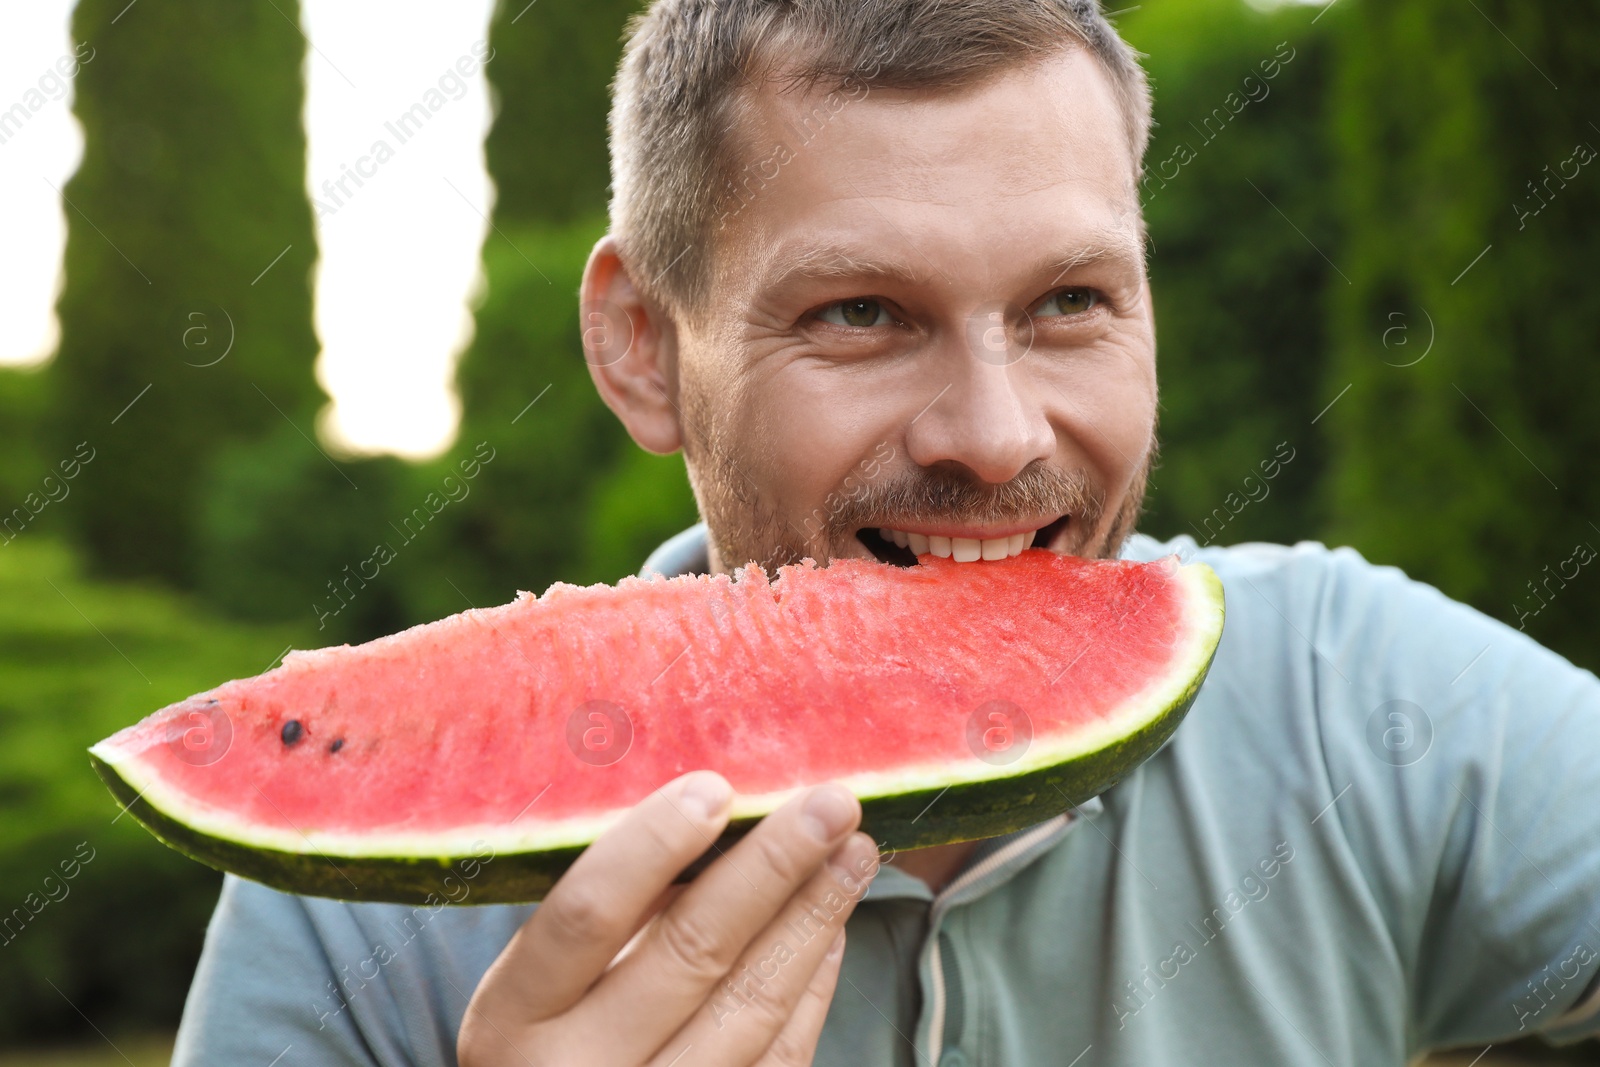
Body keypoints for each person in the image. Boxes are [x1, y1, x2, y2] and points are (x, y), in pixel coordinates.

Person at [171, 1, 1600, 1064]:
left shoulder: (1361, 694)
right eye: (860, 314)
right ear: (641, 349)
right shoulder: (353, 912)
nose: (995, 435)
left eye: (1070, 304)